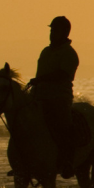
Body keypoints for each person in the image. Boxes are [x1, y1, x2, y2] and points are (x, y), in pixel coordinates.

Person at [29, 16, 79, 177]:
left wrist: (42, 80)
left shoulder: (69, 54)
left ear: (64, 32)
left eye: (54, 31)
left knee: (63, 126)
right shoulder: (46, 51)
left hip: (59, 98)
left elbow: (63, 75)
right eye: (51, 30)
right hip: (40, 96)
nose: (51, 34)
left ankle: (67, 162)